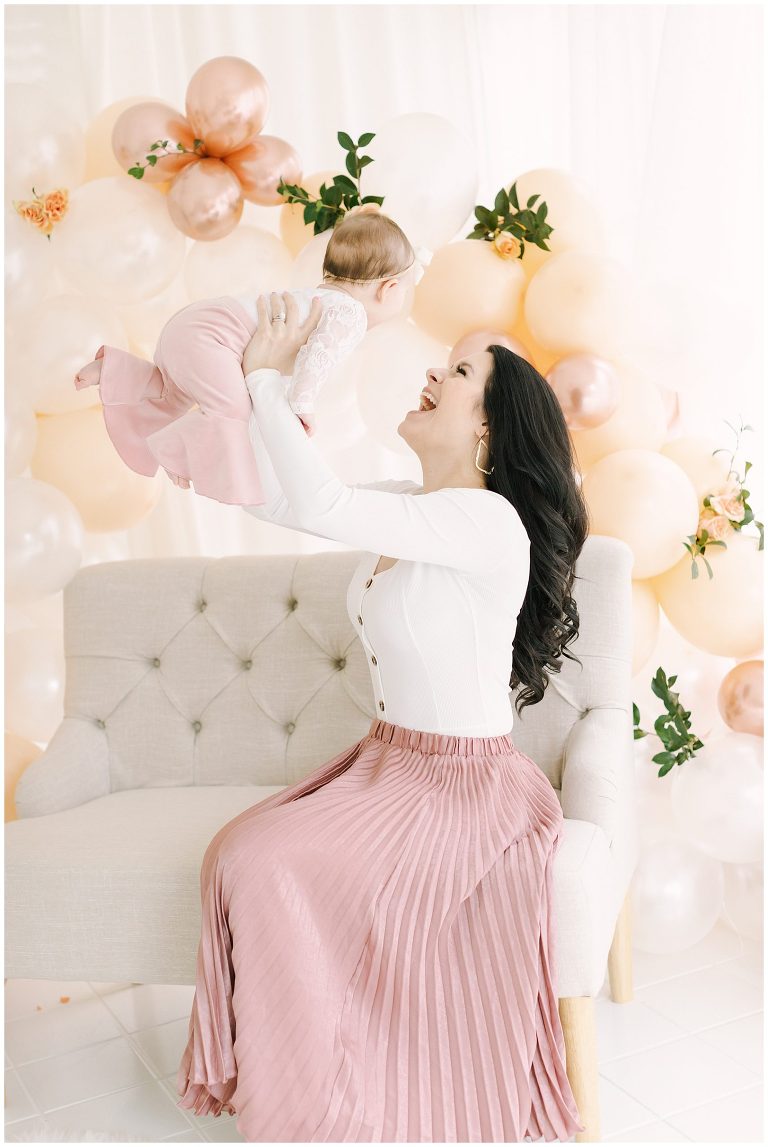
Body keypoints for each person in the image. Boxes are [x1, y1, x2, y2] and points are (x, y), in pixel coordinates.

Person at [176, 291, 590, 1142]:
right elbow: (279, 500)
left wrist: (266, 381)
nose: (435, 372)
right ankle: (313, 1083)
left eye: (460, 371)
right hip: (390, 764)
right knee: (237, 852)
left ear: (488, 427)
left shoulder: (488, 521)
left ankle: (317, 1103)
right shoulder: (414, 504)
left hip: (465, 790)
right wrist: (230, 402)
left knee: (259, 859)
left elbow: (321, 502)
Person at [72, 211, 422, 505]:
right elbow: (317, 359)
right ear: (389, 289)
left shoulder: (320, 298)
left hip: (192, 325)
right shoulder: (350, 314)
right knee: (231, 409)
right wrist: (302, 404)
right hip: (211, 337)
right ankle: (176, 451)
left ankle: (114, 370)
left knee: (171, 391)